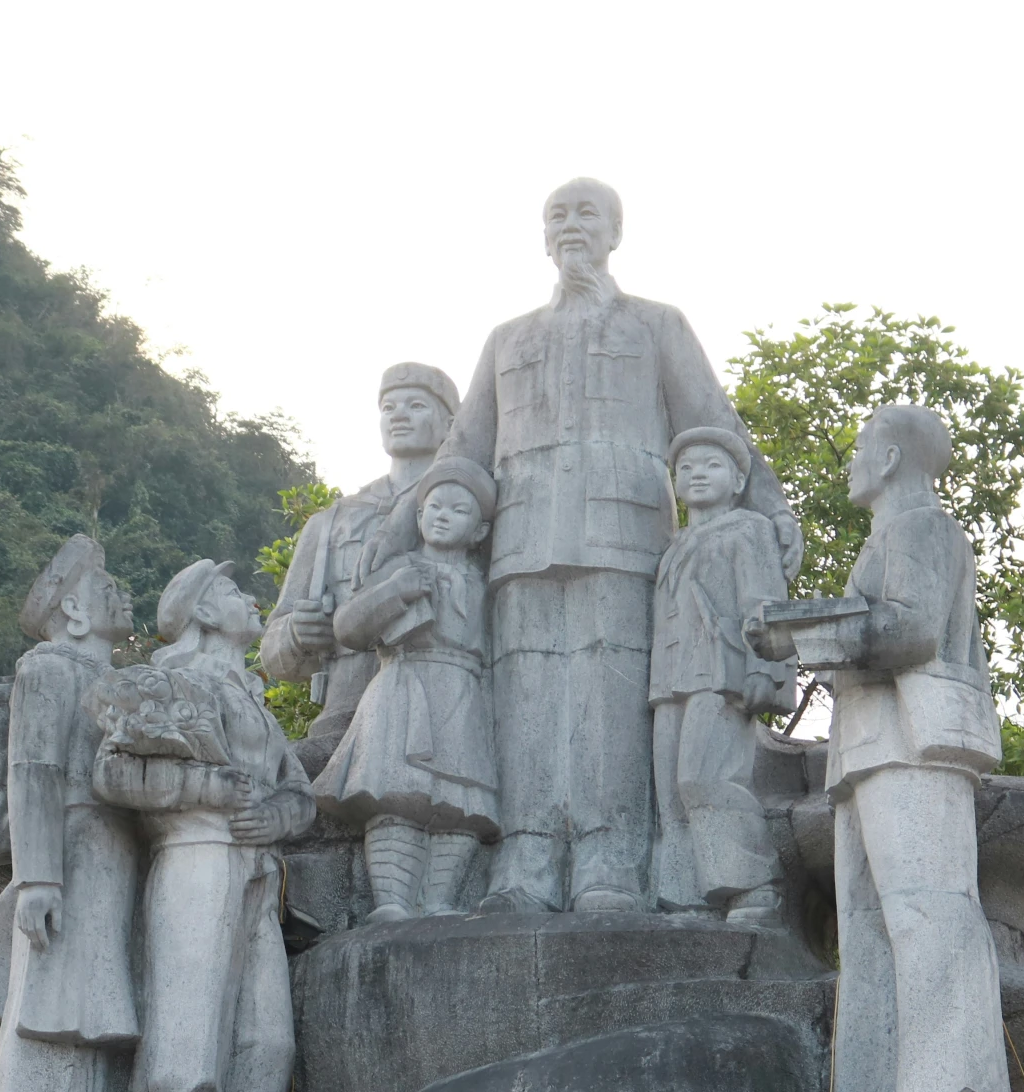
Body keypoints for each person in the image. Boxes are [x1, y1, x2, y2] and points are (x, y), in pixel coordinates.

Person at [436, 178, 800, 913]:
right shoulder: (507, 338)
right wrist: (396, 540)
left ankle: (610, 857)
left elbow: (714, 420)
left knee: (608, 703)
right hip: (522, 539)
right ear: (542, 237)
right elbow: (462, 450)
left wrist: (770, 507)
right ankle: (526, 858)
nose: (571, 226)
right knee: (527, 698)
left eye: (586, 214)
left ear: (615, 232)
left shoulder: (655, 324)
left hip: (626, 534)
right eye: (557, 216)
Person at [751, 405, 1010, 1092]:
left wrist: (799, 630)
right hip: (867, 749)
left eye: (862, 446)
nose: (853, 461)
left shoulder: (924, 527)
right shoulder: (883, 539)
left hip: (916, 746)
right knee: (866, 928)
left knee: (930, 911)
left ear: (893, 457)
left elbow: (911, 629)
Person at [85, 559, 316, 1092]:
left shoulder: (251, 698)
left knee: (265, 1037)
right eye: (230, 589)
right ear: (201, 612)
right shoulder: (167, 685)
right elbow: (113, 771)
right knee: (188, 1025)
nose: (249, 599)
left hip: (256, 871)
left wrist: (276, 818)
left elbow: (298, 793)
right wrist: (207, 791)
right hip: (194, 855)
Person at [0, 535, 142, 1092]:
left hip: (113, 855)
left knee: (96, 1016)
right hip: (70, 854)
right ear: (73, 608)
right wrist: (39, 875)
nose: (122, 593)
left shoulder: (121, 679)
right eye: (104, 584)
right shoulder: (48, 668)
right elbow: (32, 773)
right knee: (54, 1013)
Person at [312, 457, 500, 919]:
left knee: (460, 803)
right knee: (397, 797)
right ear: (418, 517)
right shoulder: (398, 568)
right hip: (404, 684)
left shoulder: (487, 582)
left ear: (479, 532)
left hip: (462, 691)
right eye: (434, 506)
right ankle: (393, 901)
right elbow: (349, 627)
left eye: (459, 511)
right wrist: (395, 590)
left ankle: (440, 900)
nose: (443, 516)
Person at [261, 363, 458, 775]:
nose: (398, 415)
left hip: (444, 717)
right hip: (342, 721)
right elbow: (275, 655)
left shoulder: (468, 507)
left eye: (416, 405)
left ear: (450, 424)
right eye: (388, 407)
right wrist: (297, 634)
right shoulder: (332, 522)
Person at [648, 427, 794, 919]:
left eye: (710, 465)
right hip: (670, 678)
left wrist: (767, 670)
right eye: (685, 468)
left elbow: (765, 603)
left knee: (704, 777)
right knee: (670, 794)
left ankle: (754, 884)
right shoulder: (675, 544)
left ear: (736, 480)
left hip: (720, 673)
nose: (696, 475)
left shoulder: (748, 529)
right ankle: (687, 893)